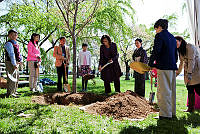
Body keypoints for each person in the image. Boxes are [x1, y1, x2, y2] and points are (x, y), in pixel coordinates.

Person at [148, 19, 178, 119]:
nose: (155, 31)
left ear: (159, 27)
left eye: (156, 28)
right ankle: (172, 112)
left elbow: (156, 50)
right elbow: (175, 54)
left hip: (163, 67)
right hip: (172, 67)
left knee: (163, 91)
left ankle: (165, 114)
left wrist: (150, 63)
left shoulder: (159, 36)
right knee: (171, 91)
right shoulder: (173, 38)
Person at [175, 36, 200, 112]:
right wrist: (177, 73)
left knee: (198, 89)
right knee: (190, 88)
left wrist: (189, 73)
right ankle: (190, 108)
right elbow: (181, 63)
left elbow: (192, 61)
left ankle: (191, 108)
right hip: (188, 70)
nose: (175, 44)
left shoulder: (190, 47)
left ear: (181, 41)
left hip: (196, 70)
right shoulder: (180, 50)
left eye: (176, 42)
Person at [4, 29, 22, 98]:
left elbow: (18, 53)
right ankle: (10, 93)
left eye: (15, 34)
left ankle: (14, 91)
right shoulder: (9, 43)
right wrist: (14, 64)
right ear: (9, 35)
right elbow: (11, 54)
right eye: (13, 34)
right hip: (10, 62)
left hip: (16, 62)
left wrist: (20, 60)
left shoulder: (16, 43)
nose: (14, 36)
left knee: (17, 77)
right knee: (12, 77)